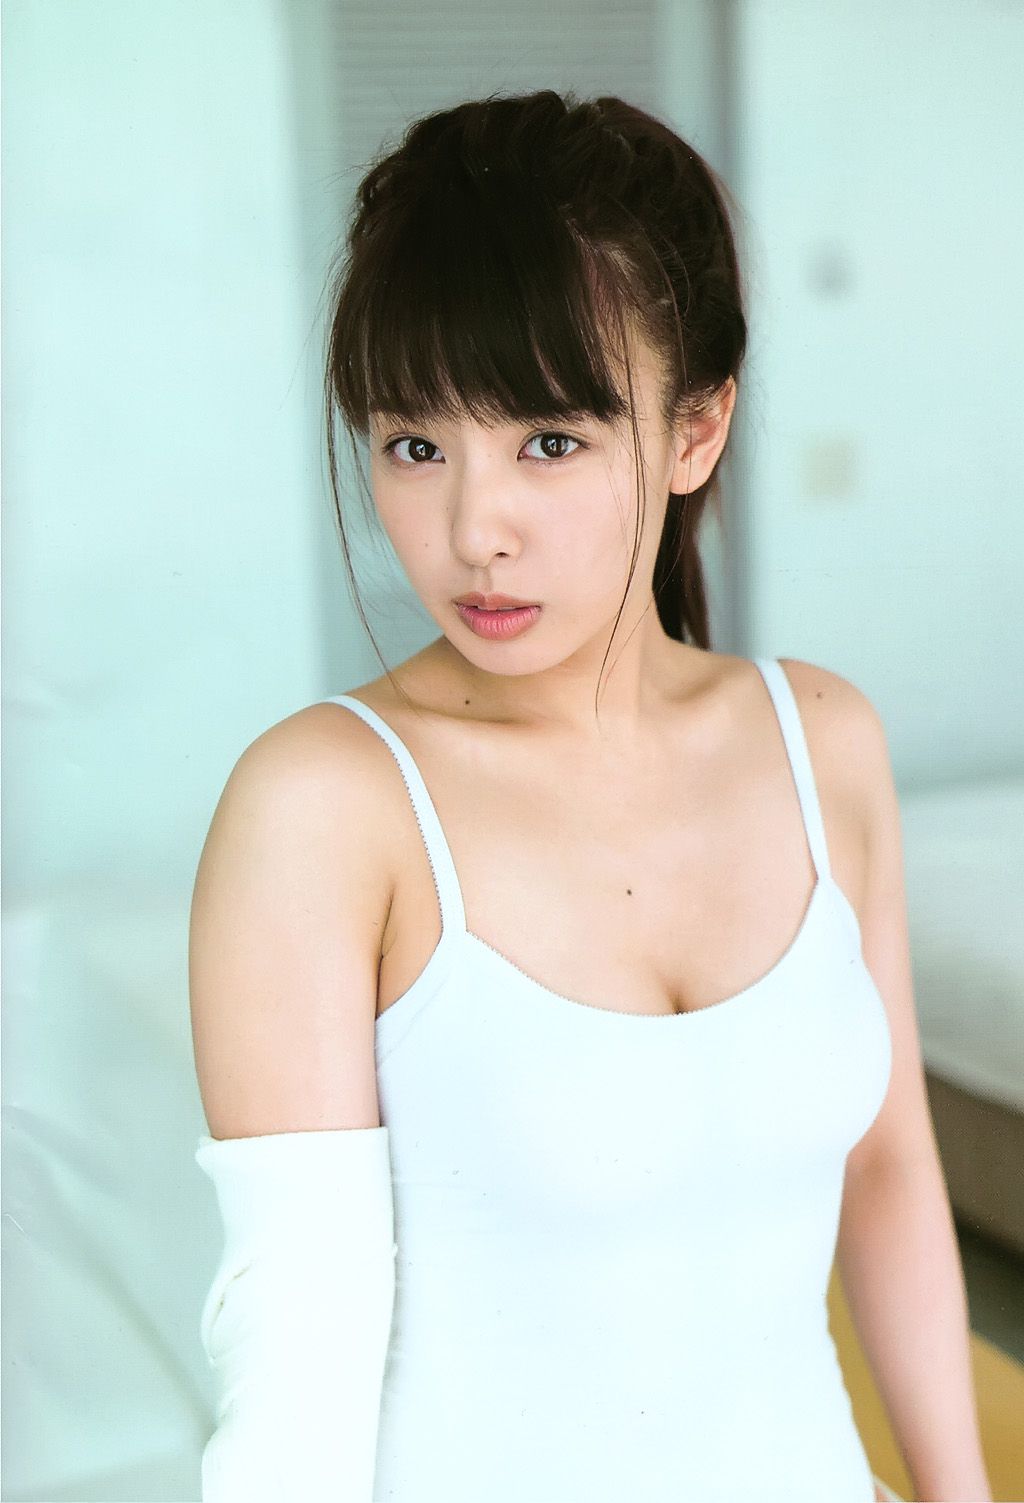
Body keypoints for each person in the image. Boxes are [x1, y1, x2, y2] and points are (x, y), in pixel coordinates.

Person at [189, 89, 988, 1502]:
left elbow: (887, 1173)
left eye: (548, 442)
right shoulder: (324, 805)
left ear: (696, 432)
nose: (471, 530)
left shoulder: (823, 744)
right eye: (414, 444)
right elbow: (294, 1365)